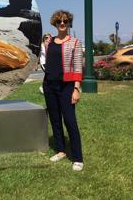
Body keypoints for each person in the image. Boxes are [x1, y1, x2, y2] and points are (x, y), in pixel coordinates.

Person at [42, 10, 84, 171]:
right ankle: (61, 151)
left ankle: (78, 158)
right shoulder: (49, 42)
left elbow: (78, 67)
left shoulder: (74, 42)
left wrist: (76, 89)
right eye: (59, 21)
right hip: (49, 86)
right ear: (54, 23)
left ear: (68, 23)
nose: (62, 24)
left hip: (66, 86)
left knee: (70, 121)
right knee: (55, 119)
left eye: (65, 21)